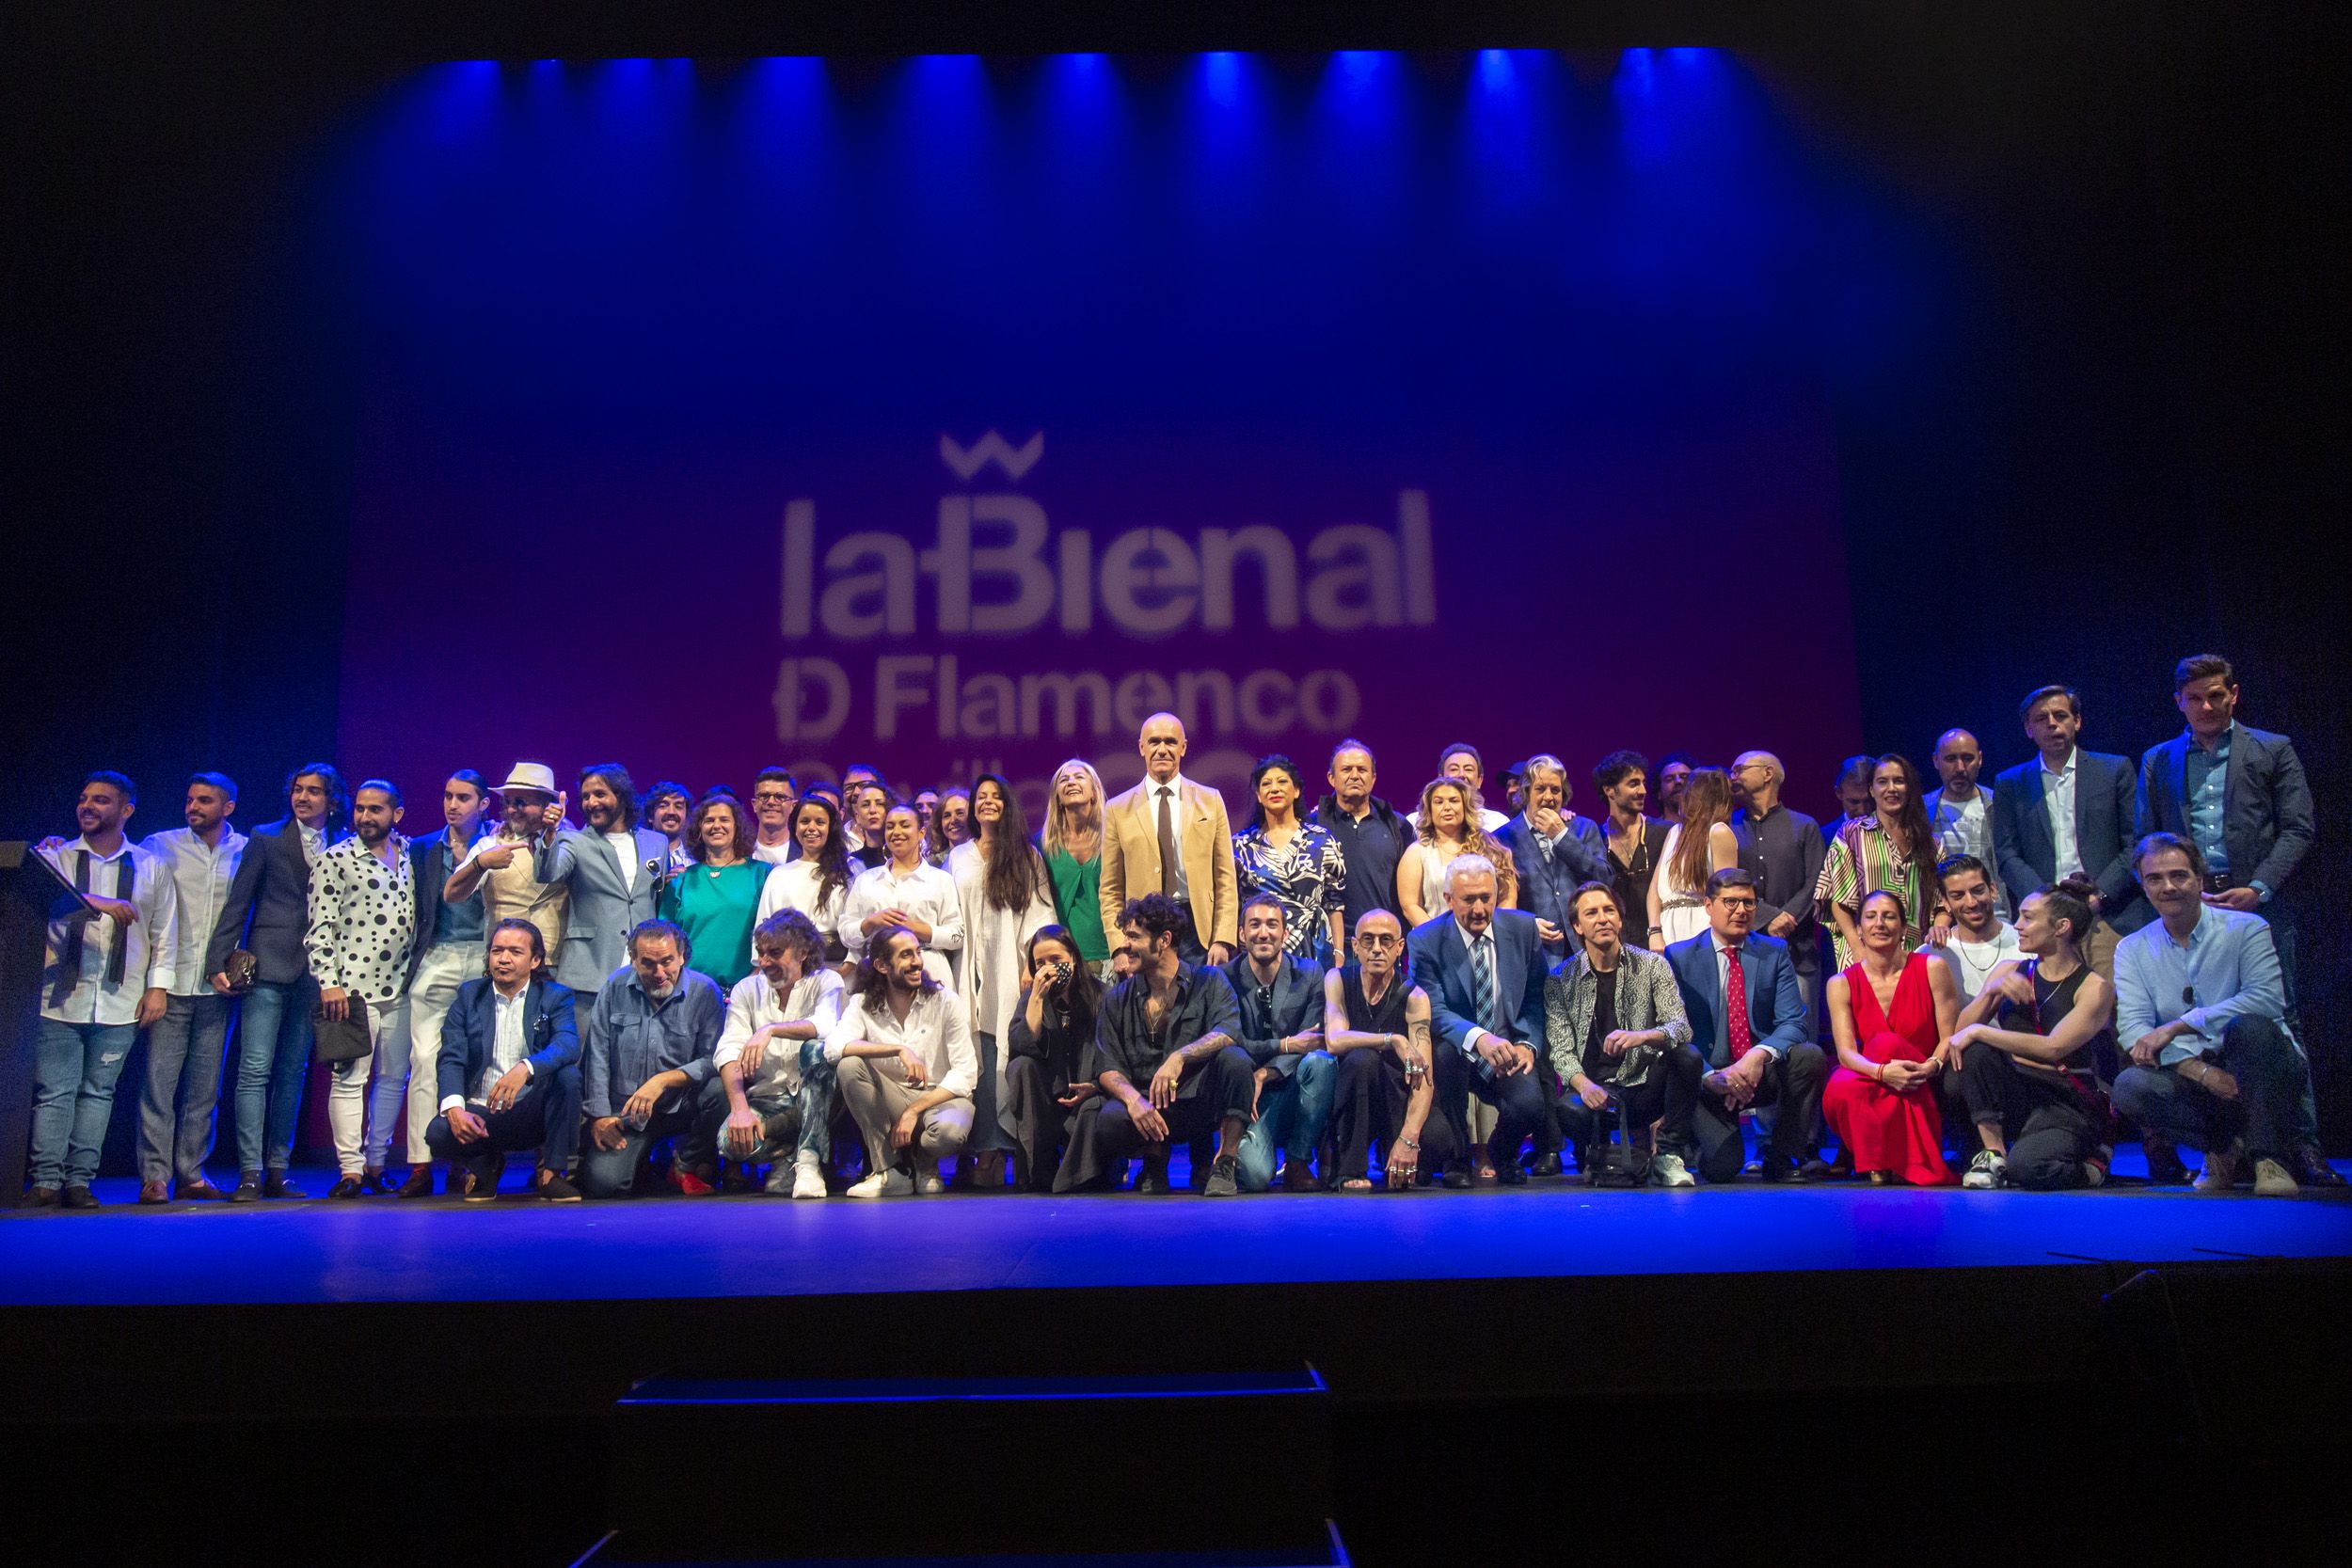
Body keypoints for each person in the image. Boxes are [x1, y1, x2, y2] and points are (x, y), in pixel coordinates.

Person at [2134, 655, 2331, 1186]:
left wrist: (2259, 888)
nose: (2206, 706)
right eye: (2194, 698)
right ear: (2179, 701)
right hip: (2185, 900)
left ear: (2234, 694)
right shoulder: (2159, 759)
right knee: (2189, 1010)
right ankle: (2226, 1143)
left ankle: (2301, 1146)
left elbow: (2298, 827)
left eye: (2216, 695)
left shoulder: (2272, 748)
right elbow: (2147, 837)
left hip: (2256, 900)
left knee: (2276, 1020)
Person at [2109, 834, 2308, 1196]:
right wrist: (2200, 1071)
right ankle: (2221, 1150)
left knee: (2250, 1028)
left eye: (2179, 875)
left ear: (2199, 880)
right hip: (2192, 1071)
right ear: (2143, 885)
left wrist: (2178, 1025)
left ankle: (2268, 1156)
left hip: (2262, 1065)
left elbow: (2266, 1000)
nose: (2168, 887)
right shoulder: (2132, 948)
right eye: (2155, 878)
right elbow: (2134, 1028)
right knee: (2130, 1086)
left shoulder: (2247, 929)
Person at [25, 772, 177, 1209]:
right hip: (59, 996)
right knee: (55, 1091)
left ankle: (78, 1181)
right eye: (83, 799)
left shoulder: (150, 865)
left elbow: (164, 934)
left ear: (125, 810)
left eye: (101, 800)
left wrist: (158, 989)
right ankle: (45, 1182)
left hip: (120, 998)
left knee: (98, 1092)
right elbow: (47, 906)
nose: (87, 806)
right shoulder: (54, 858)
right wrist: (99, 903)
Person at [205, 761, 345, 1201]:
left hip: (317, 973)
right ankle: (249, 1169)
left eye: (314, 791)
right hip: (267, 966)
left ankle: (277, 1169)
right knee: (254, 1069)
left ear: (331, 799)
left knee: (292, 1073)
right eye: (298, 790)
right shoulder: (266, 837)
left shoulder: (344, 844)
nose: (303, 798)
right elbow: (238, 904)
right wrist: (217, 961)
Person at [1054, 894, 1252, 1196]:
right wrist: (1134, 1102)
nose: (1125, 945)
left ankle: (1224, 1162)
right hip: (1151, 1107)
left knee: (1236, 1060)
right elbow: (1107, 1068)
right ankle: (1153, 1161)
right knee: (1110, 1119)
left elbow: (1229, 1031)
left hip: (1200, 1102)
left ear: (1164, 940)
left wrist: (1180, 1057)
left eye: (1134, 937)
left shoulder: (1209, 981)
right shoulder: (1118, 998)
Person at [1947, 876, 2116, 1190]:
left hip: (2065, 1100)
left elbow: (2054, 1048)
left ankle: (2093, 1165)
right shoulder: (2009, 970)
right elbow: (1959, 1036)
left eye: (2027, 917)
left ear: (2061, 927)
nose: (2017, 925)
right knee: (1972, 1053)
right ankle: (1993, 1153)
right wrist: (1991, 993)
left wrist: (1981, 1032)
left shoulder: (2095, 987)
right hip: (2020, 1089)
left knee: (2030, 1169)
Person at [1665, 869, 1827, 1183]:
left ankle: (1782, 1156)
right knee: (1722, 1169)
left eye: (1748, 903)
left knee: (1810, 1056)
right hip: (1710, 1078)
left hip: (1756, 1073)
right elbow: (1672, 1031)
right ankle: (1700, 1139)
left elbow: (1793, 1022)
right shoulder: (1680, 957)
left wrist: (1758, 1055)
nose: (1741, 910)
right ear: (1709, 906)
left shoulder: (1774, 951)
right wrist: (1710, 1076)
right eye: (1731, 902)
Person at [305, 779, 421, 1198]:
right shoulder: (335, 858)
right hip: (352, 990)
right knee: (350, 1079)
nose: (366, 817)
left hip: (402, 987)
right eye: (360, 809)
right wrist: (328, 983)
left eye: (376, 809)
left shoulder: (409, 855)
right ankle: (350, 1170)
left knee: (392, 1080)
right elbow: (320, 928)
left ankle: (375, 1163)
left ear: (397, 814)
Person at [133, 771, 245, 1202]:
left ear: (227, 807)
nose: (193, 807)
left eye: (204, 800)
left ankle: (192, 1173)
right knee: (159, 1085)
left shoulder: (244, 849)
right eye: (190, 799)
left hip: (218, 989)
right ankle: (154, 1176)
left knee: (204, 1089)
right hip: (171, 984)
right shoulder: (159, 845)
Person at [1406, 854, 1550, 1188]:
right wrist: (1478, 1038)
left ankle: (1503, 1153)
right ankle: (1457, 1158)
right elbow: (1434, 1010)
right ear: (1448, 899)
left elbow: (1535, 998)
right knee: (1444, 1053)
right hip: (1461, 1048)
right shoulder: (1425, 940)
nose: (1479, 909)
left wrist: (1528, 1043)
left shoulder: (1523, 929)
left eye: (1486, 898)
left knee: (1530, 1106)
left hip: (1509, 1045)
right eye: (1468, 899)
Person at [1546, 882, 1701, 1187]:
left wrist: (1641, 1036)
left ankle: (1668, 1154)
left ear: (1620, 918)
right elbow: (1560, 1051)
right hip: (1594, 1089)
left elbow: (1681, 1027)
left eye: (1609, 911)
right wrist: (1585, 1085)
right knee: (1568, 1110)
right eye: (1591, 913)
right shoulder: (1560, 979)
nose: (1602, 918)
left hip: (1642, 1084)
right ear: (1577, 925)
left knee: (1687, 1057)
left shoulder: (1653, 965)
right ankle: (1596, 1152)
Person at [422, 917, 583, 1202]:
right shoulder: (469, 995)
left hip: (531, 1110)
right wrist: (455, 1109)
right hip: (482, 1112)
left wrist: (526, 1068)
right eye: (497, 951)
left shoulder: (555, 996)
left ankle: (551, 1174)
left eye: (514, 952)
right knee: (438, 1131)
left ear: (535, 961)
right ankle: (485, 1167)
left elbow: (568, 1044)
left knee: (567, 1077)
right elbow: (451, 1057)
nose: (503, 959)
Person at [1991, 685, 2146, 976]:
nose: (2052, 723)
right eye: (2041, 718)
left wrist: (2099, 897)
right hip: (2046, 922)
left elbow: (2135, 844)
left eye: (2060, 715)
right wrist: (2045, 904)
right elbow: (2007, 854)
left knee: (2114, 1008)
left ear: (2077, 721)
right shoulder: (2011, 783)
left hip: (2107, 914)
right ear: (2028, 729)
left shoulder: (2114, 770)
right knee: (2055, 1012)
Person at [948, 772, 1056, 1187]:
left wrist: (1031, 961)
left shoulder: (1026, 856)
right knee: (974, 1057)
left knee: (1002, 1054)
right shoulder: (958, 857)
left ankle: (1007, 1150)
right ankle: (983, 1151)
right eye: (981, 797)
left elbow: (1040, 914)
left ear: (1007, 805)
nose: (987, 802)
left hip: (1009, 966)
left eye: (995, 797)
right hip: (966, 965)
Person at [394, 769, 494, 1197]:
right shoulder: (423, 848)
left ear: (483, 803)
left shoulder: (496, 843)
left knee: (476, 1062)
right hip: (438, 955)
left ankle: (464, 1159)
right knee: (424, 1060)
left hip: (487, 957)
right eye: (448, 796)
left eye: (464, 797)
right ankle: (420, 1164)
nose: (453, 804)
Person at [697, 909, 845, 1198]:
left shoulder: (827, 980)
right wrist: (739, 1109)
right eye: (761, 953)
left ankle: (809, 1161)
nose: (765, 962)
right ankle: (789, 1155)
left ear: (802, 952)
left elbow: (825, 1026)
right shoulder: (746, 989)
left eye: (775, 953)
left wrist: (771, 1030)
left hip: (820, 1098)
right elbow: (728, 1049)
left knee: (817, 1050)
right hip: (771, 1100)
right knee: (730, 1141)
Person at [825, 925, 978, 1196]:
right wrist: (896, 1049)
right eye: (906, 955)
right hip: (891, 1099)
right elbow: (834, 1047)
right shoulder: (863, 1003)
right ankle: (889, 1170)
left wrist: (913, 1111)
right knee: (849, 1065)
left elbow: (966, 1072)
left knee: (949, 1134)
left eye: (918, 953)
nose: (917, 961)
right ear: (882, 966)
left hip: (939, 1098)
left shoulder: (945, 1001)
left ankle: (925, 1164)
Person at [1821, 889, 1961, 1185]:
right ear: (1858, 930)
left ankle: (1883, 1161)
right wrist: (1883, 1072)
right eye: (1870, 917)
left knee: (1887, 1043)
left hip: (1921, 1075)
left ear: (1903, 927)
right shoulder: (1840, 983)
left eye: (1889, 916)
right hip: (1873, 1074)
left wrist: (1930, 1066)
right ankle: (1882, 1157)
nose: (1879, 923)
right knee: (1841, 1084)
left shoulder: (1932, 968)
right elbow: (1847, 1053)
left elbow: (1950, 1035)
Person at [580, 919, 727, 1197]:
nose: (659, 973)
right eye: (648, 963)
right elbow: (597, 1054)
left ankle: (685, 1161)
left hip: (681, 1105)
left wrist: (662, 1081)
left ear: (682, 956)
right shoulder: (614, 987)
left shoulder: (705, 992)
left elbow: (713, 1060)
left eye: (668, 962)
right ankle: (645, 1169)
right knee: (604, 1185)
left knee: (722, 1090)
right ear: (633, 959)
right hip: (626, 1110)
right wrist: (599, 1117)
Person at [537, 764, 672, 1029]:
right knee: (583, 1060)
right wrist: (550, 834)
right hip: (589, 971)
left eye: (600, 794)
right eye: (586, 797)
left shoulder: (657, 843)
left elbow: (657, 898)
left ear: (621, 796)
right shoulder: (573, 841)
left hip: (643, 972)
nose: (591, 803)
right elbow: (548, 872)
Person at [1099, 711, 1239, 963]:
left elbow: (1225, 878)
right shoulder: (1117, 809)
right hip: (1143, 929)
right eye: (1154, 742)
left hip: (1198, 930)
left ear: (1183, 748)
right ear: (1142, 748)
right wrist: (1119, 946)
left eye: (1170, 742)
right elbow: (1110, 889)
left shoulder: (1211, 800)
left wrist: (1223, 939)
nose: (1162, 749)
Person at [1323, 910, 1442, 1191]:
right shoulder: (1337, 979)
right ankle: (1350, 1167)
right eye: (1368, 940)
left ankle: (1393, 1149)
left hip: (1394, 1097)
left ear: (1400, 947)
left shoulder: (1415, 997)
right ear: (1355, 946)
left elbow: (1425, 1080)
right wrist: (1393, 1040)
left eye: (1386, 940)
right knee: (1361, 1060)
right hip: (1350, 1100)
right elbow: (1335, 1040)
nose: (1377, 949)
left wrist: (1409, 1138)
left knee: (1438, 1140)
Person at [1223, 894, 1333, 1192]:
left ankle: (1298, 1161)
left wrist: (1265, 1072)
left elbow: (1312, 1042)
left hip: (1295, 1085)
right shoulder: (1224, 977)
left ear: (1285, 933)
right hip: (1250, 1098)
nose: (1263, 932)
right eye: (1255, 924)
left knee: (1322, 1063)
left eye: (1272, 924)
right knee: (1256, 1177)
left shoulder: (1310, 973)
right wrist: (1285, 1045)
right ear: (1242, 934)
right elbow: (1232, 1041)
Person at [1817, 753, 1946, 971]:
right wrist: (1858, 950)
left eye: (1899, 781)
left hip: (1914, 955)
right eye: (1883, 781)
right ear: (1871, 789)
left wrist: (1940, 928)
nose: (1891, 788)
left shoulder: (1929, 843)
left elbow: (1942, 900)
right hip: (1865, 954)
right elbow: (1837, 900)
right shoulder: (1851, 834)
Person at [1727, 751, 1828, 1026]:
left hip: (1798, 950)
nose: (1731, 777)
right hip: (1745, 950)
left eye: (1739, 770)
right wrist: (1767, 917)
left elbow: (1817, 882)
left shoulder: (1804, 826)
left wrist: (1786, 919)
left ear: (1768, 773)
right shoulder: (1727, 827)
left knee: (1799, 1036)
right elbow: (1724, 881)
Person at [1003, 925, 1104, 1190]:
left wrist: (1096, 1085)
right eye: (1040, 963)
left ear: (1072, 958)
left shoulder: (1101, 996)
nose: (1048, 968)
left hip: (1089, 1092)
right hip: (1047, 1095)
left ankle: (1084, 1173)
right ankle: (1040, 1169)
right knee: (1021, 1065)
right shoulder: (1031, 998)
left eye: (1056, 960)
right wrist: (1036, 998)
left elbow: (1112, 1052)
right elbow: (1021, 1046)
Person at [443, 762, 570, 969]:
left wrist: (553, 832)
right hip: (504, 962)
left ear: (547, 804)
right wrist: (480, 864)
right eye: (508, 802)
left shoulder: (569, 842)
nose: (511, 809)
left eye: (520, 802)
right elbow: (451, 894)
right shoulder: (491, 844)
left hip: (554, 963)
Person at [1231, 753, 1349, 963]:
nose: (1274, 788)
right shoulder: (1240, 845)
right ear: (1258, 795)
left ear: (1296, 791)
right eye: (1266, 784)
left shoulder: (1321, 840)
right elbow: (1232, 905)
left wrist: (1338, 954)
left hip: (1314, 950)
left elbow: (1334, 903)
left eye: (1282, 782)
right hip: (1260, 948)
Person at [1492, 753, 1610, 962]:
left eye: (1555, 790)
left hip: (1585, 948)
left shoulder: (1584, 828)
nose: (1548, 797)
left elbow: (1604, 879)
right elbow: (1495, 902)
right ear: (1526, 792)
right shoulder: (1503, 837)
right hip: (1534, 953)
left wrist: (1561, 836)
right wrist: (1526, 925)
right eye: (1540, 789)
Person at [840, 800, 964, 986]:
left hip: (928, 969)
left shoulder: (940, 879)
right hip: (878, 972)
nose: (896, 832)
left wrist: (914, 928)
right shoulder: (866, 880)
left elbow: (957, 935)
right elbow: (845, 933)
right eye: (890, 826)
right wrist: (871, 922)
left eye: (905, 825)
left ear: (921, 832)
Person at [660, 792, 772, 990]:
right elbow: (665, 938)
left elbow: (774, 934)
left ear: (737, 827)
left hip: (747, 987)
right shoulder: (681, 880)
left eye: (724, 820)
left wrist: (753, 980)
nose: (716, 826)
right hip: (688, 988)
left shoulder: (762, 874)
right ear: (699, 829)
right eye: (709, 820)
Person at [1311, 738, 1411, 938]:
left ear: (1373, 778)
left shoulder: (1398, 826)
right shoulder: (1313, 827)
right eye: (1347, 769)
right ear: (1331, 778)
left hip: (1384, 942)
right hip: (1332, 946)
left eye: (1362, 770)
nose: (1355, 775)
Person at [1397, 777, 1518, 929]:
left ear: (1465, 806)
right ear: (1429, 809)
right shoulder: (1417, 852)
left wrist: (1495, 932)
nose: (1447, 807)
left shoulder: (1491, 846)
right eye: (1439, 802)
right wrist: (1437, 938)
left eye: (1454, 801)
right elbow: (1410, 906)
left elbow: (1508, 897)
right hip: (1437, 943)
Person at [754, 795, 856, 962]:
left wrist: (850, 964)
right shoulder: (779, 875)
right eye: (805, 821)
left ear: (831, 828)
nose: (811, 828)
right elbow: (762, 929)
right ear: (795, 826)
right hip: (787, 972)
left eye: (820, 822)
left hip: (838, 970)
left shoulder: (849, 870)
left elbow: (857, 924)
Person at [1648, 768, 1737, 951]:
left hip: (1702, 928)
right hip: (1668, 928)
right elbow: (1654, 891)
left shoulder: (1718, 832)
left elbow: (1726, 894)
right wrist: (1655, 931)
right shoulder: (1675, 832)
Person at [1040, 759, 1113, 978]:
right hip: (1061, 955)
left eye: (1079, 777)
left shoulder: (1113, 838)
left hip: (1110, 951)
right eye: (1064, 780)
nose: (1071, 782)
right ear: (1058, 797)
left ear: (1094, 791)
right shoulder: (1042, 846)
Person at [1925, 729, 2006, 917]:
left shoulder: (1998, 805)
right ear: (1936, 761)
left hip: (1996, 915)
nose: (1960, 767)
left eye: (1967, 758)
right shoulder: (1921, 810)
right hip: (1941, 920)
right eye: (1951, 759)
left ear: (1980, 759)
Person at [1593, 752, 1670, 951]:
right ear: (1610, 790)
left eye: (1643, 783)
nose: (1643, 790)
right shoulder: (1596, 840)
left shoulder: (1664, 833)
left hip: (1660, 944)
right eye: (1634, 783)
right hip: (1616, 948)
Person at [1935, 855, 2022, 1005]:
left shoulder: (2024, 943)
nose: (1971, 903)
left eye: (1978, 891)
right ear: (1946, 902)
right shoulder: (1934, 953)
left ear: (1993, 890)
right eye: (1958, 896)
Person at [1404, 743, 1510, 833]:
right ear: (1441, 778)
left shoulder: (1498, 823)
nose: (1461, 774)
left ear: (1479, 780)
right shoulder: (1415, 822)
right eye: (1454, 769)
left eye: (1468, 769)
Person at [749, 767, 800, 865]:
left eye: (780, 797)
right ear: (754, 804)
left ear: (793, 806)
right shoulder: (738, 852)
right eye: (764, 796)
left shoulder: (805, 852)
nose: (771, 802)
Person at [642, 781, 696, 871]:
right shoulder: (637, 855)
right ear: (650, 816)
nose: (671, 812)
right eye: (663, 806)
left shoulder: (696, 861)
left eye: (678, 807)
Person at [1825, 754, 1876, 845]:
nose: (1862, 810)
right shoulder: (1825, 838)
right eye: (1854, 802)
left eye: (1869, 801)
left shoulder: (1897, 832)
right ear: (1839, 793)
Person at [843, 781, 893, 870]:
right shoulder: (851, 863)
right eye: (866, 805)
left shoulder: (902, 856)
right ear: (857, 816)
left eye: (880, 804)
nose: (872, 810)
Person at [923, 785, 972, 868]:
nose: (953, 820)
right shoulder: (932, 863)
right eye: (947, 815)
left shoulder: (984, 854)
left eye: (960, 813)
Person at [1654, 752, 1697, 825]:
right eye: (1669, 779)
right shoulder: (1650, 832)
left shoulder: (1711, 827)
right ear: (1659, 793)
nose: (1678, 781)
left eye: (1685, 777)